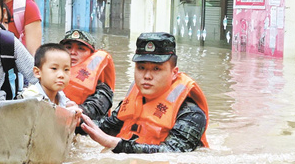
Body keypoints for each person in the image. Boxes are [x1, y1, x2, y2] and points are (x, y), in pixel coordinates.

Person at [80, 32, 209, 154]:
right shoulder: (134, 98)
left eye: (156, 69)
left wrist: (116, 144)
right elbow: (107, 127)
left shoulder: (191, 114)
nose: (147, 76)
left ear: (174, 73)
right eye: (141, 68)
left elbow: (172, 152)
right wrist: (77, 120)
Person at [60, 29, 115, 121]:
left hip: (82, 128)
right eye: (68, 47)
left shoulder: (102, 87)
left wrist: (80, 110)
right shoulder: (51, 75)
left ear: (91, 54)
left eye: (81, 49)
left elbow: (97, 107)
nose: (73, 52)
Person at [19, 43, 78, 108]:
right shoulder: (31, 97)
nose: (61, 75)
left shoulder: (61, 96)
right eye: (54, 68)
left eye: (66, 69)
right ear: (37, 72)